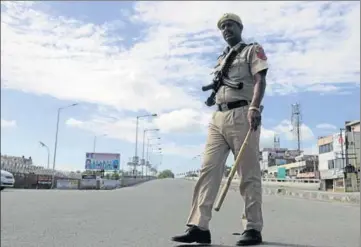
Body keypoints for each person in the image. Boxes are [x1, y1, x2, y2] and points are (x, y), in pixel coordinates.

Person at [171, 13, 268, 246]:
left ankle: (252, 228)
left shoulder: (251, 50)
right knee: (207, 171)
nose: (226, 29)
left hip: (243, 114)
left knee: (248, 174)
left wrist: (254, 106)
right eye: (222, 27)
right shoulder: (221, 59)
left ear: (240, 27)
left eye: (230, 25)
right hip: (218, 116)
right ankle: (198, 226)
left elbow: (260, 79)